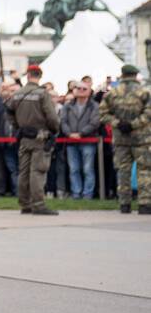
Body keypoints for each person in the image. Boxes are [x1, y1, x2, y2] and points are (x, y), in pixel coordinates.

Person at [6, 64, 60, 216]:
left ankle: (25, 204)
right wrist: (54, 129)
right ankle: (38, 204)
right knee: (38, 171)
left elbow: (9, 112)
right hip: (40, 137)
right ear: (40, 76)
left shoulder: (17, 94)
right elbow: (52, 116)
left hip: (24, 137)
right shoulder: (42, 94)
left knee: (23, 172)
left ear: (28, 75)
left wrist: (18, 126)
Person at [99, 64, 151, 214]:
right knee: (145, 171)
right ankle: (145, 203)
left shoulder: (112, 93)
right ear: (135, 75)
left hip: (121, 139)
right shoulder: (144, 92)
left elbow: (103, 113)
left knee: (123, 171)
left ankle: (124, 203)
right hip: (142, 139)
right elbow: (148, 114)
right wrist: (133, 124)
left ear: (122, 75)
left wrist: (118, 123)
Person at [60, 80, 101, 199]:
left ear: (89, 91)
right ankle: (76, 193)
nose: (81, 91)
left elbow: (95, 122)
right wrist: (69, 134)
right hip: (71, 142)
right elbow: (63, 122)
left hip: (88, 141)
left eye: (84, 89)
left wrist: (81, 134)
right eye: (78, 88)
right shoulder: (68, 106)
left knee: (88, 169)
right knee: (74, 169)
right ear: (73, 90)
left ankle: (88, 194)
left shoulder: (94, 106)